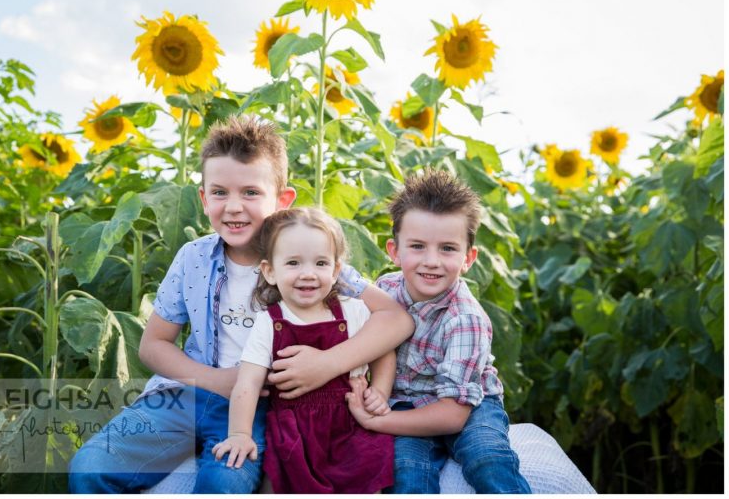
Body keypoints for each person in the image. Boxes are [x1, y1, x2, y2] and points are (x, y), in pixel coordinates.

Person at [68, 116, 413, 493]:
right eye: (219, 193)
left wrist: (329, 363)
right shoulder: (193, 258)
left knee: (223, 485)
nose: (233, 207)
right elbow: (153, 345)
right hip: (187, 394)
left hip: (260, 409)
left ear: (282, 200)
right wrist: (217, 380)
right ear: (203, 198)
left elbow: (394, 319)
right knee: (88, 467)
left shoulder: (306, 260)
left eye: (250, 192)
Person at [345, 169, 532, 494]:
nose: (431, 261)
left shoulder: (465, 318)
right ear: (394, 251)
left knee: (488, 457)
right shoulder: (385, 291)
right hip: (403, 398)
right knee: (405, 470)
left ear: (468, 258)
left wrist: (378, 421)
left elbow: (452, 415)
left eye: (447, 248)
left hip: (467, 404)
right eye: (417, 246)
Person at [212, 207, 395, 493]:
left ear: (336, 271)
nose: (308, 274)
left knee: (367, 475)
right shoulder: (269, 323)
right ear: (270, 271)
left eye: (321, 263)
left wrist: (380, 392)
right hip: (293, 428)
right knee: (280, 479)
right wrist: (239, 434)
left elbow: (383, 350)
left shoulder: (353, 311)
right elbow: (247, 383)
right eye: (294, 263)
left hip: (350, 422)